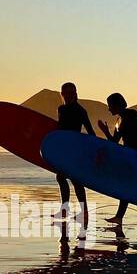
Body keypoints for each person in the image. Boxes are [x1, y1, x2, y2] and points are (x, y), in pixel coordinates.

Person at [97, 92, 137, 226]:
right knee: (127, 187)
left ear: (118, 104)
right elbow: (114, 142)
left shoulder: (133, 115)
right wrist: (105, 131)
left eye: (110, 105)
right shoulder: (118, 121)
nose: (108, 109)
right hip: (129, 158)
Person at [55, 82, 94, 225]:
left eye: (71, 93)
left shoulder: (80, 111)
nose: (68, 96)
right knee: (62, 177)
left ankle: (81, 212)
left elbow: (90, 132)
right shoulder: (61, 109)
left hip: (76, 150)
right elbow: (59, 129)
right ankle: (69, 210)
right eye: (65, 93)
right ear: (62, 94)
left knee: (74, 180)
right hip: (65, 149)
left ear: (76, 94)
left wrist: (94, 151)